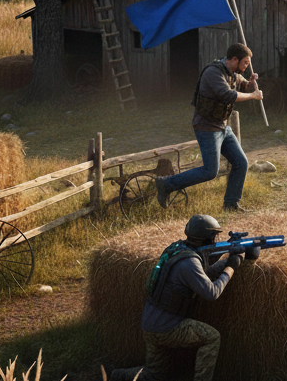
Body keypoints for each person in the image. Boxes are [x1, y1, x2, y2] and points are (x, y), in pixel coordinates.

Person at [109, 214, 243, 381]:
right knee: (212, 337)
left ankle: (116, 376)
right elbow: (212, 293)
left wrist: (228, 254)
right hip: (168, 328)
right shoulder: (190, 263)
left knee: (154, 374)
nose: (215, 240)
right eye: (213, 237)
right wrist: (231, 267)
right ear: (206, 238)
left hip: (150, 324)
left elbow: (202, 271)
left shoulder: (177, 249)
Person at [157, 43, 263, 213]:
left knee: (241, 163)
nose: (246, 67)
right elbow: (227, 95)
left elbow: (242, 86)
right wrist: (252, 95)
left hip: (222, 126)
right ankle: (166, 184)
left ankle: (231, 204)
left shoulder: (233, 73)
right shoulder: (213, 72)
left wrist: (250, 84)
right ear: (234, 59)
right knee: (209, 171)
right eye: (245, 63)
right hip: (206, 127)